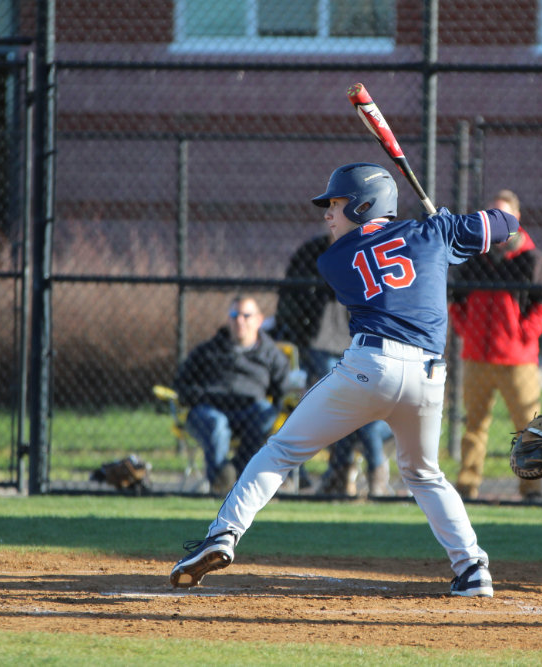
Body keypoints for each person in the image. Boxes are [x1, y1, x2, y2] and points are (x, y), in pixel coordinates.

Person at [170, 161, 522, 597]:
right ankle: (472, 569)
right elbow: (507, 225)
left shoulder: (335, 259)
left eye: (336, 204)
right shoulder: (428, 234)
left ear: (363, 205)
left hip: (369, 369)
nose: (327, 214)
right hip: (429, 378)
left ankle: (223, 535)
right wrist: (452, 226)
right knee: (424, 474)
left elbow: (395, 250)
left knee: (280, 451)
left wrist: (438, 233)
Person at [449, 189, 542, 502]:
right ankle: (467, 488)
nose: (500, 221)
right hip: (476, 358)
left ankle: (532, 489)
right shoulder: (472, 258)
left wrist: (524, 333)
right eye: (493, 214)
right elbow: (455, 301)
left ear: (517, 218)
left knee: (529, 426)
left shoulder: (533, 259)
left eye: (505, 215)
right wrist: (465, 331)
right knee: (474, 426)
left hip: (517, 360)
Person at [273, 231, 393, 496]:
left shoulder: (370, 251)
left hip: (360, 344)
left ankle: (348, 473)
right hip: (321, 342)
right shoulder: (313, 252)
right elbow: (290, 297)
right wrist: (294, 332)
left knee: (356, 414)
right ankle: (347, 474)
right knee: (343, 406)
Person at [174, 295, 299, 493]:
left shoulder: (271, 355)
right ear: (228, 319)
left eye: (246, 315)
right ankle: (222, 485)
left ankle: (234, 472)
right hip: (210, 410)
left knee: (266, 411)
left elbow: (283, 390)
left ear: (259, 320)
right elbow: (181, 384)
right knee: (217, 424)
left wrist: (284, 403)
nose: (239, 320)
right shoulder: (208, 351)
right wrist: (201, 397)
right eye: (234, 315)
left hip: (249, 413)